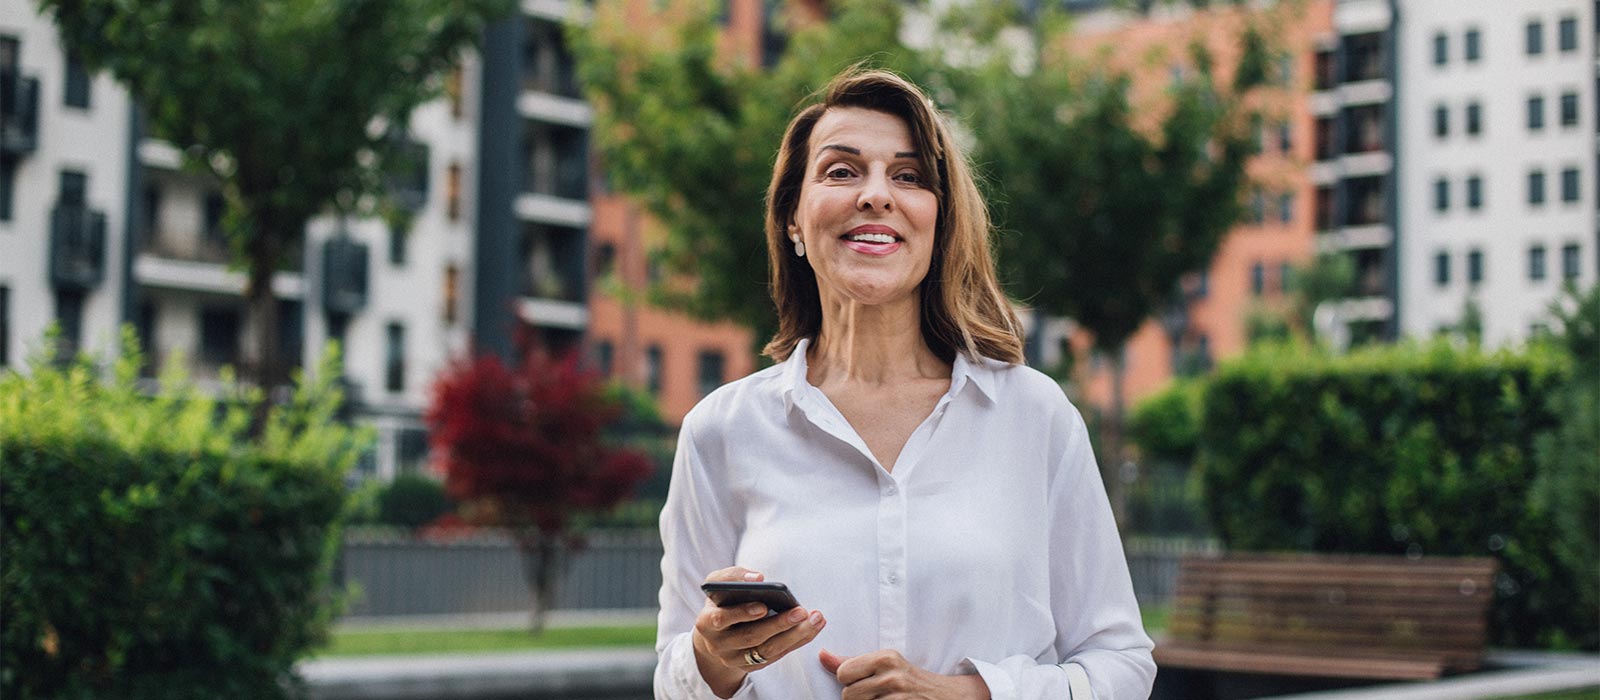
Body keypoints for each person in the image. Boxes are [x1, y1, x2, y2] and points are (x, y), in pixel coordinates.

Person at [654, 66, 1156, 700]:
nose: (876, 195)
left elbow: (1121, 665)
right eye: (841, 171)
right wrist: (711, 659)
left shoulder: (1035, 416)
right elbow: (674, 680)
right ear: (792, 221)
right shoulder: (721, 430)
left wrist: (968, 695)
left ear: (937, 220)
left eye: (909, 176)